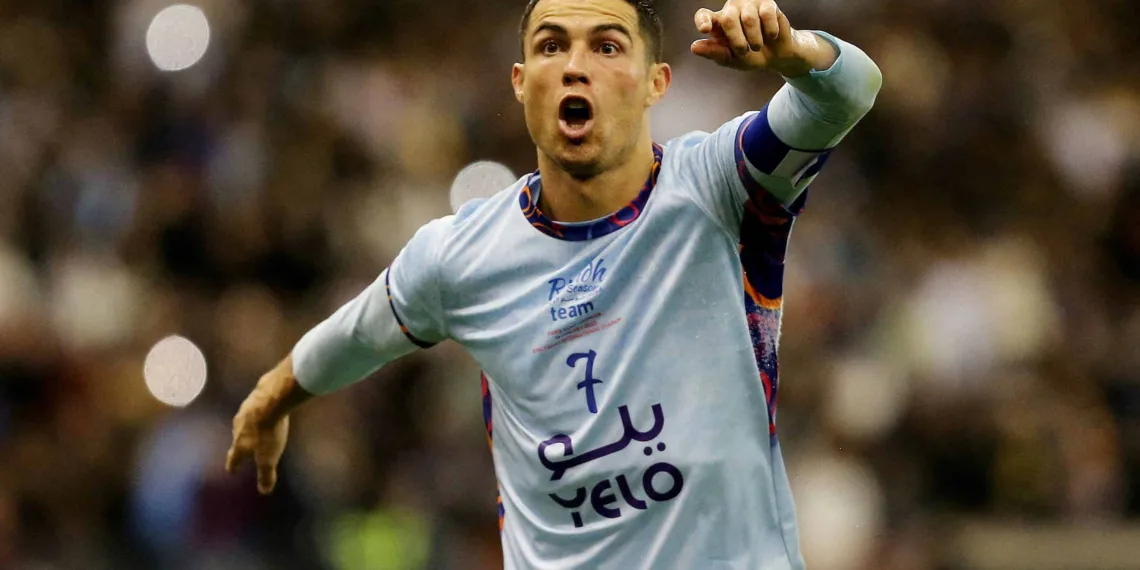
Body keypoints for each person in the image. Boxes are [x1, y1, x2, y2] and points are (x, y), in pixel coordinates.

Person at [225, 0, 881, 567]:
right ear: (520, 82)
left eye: (606, 45)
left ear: (657, 83)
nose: (575, 65)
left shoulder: (719, 187)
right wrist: (273, 395)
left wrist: (794, 50)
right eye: (550, 46)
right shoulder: (460, 256)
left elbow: (848, 91)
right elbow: (359, 334)